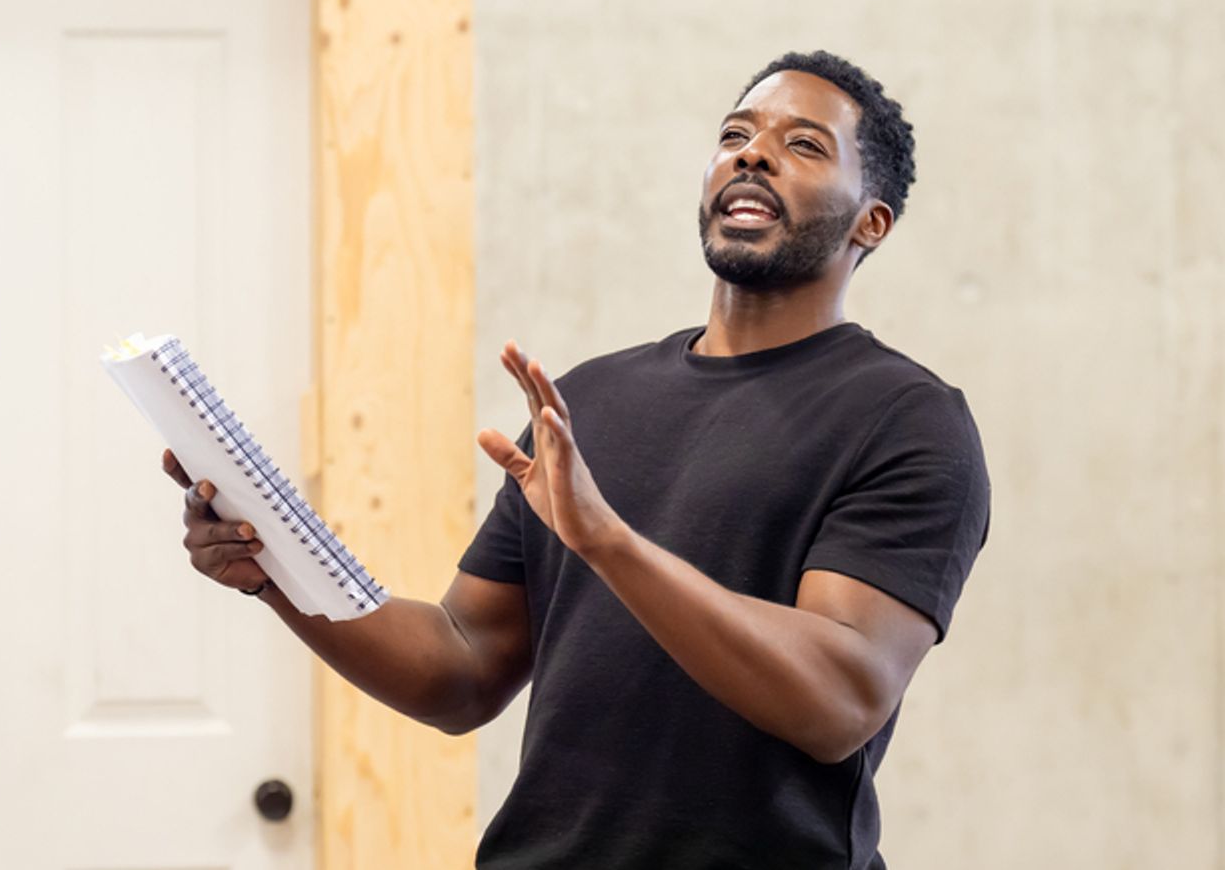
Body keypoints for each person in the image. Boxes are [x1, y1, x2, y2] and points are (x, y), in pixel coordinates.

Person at [164, 49, 991, 869]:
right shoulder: (588, 401)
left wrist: (609, 543)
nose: (753, 152)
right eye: (736, 132)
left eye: (804, 144)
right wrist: (273, 564)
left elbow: (840, 699)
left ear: (869, 222)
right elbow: (461, 668)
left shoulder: (906, 421)